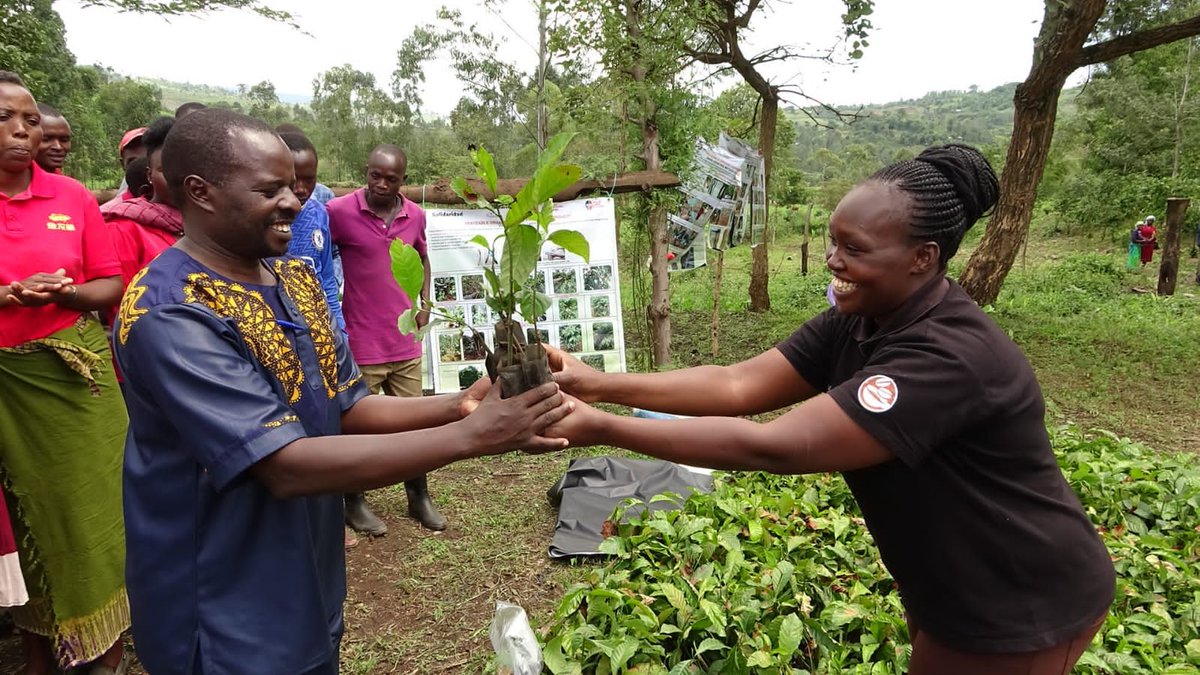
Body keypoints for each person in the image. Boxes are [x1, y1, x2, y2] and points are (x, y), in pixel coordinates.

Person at [544, 144, 1116, 675]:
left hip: (1020, 600)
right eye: (833, 242)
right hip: (952, 583)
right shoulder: (860, 319)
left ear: (923, 257)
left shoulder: (949, 355)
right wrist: (598, 384)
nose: (834, 262)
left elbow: (776, 445)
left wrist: (600, 428)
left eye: (855, 249)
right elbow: (738, 384)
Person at [112, 108, 569, 675]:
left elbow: (348, 406)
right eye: (270, 189)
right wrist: (471, 436)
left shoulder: (292, 281)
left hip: (305, 572)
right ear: (200, 193)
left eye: (294, 186)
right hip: (223, 602)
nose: (294, 202)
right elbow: (283, 464)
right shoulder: (172, 314)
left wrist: (461, 404)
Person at [0, 71, 130, 675]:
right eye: (5, 118)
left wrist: (67, 293)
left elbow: (109, 283)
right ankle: (36, 646)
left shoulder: (72, 197)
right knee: (23, 519)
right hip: (8, 387)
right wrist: (7, 296)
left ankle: (102, 646)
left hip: (74, 380)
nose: (22, 131)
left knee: (90, 510)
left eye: (29, 119)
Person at [328, 144, 444, 534]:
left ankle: (418, 496)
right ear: (367, 170)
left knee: (415, 425)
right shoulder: (339, 212)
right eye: (374, 175)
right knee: (357, 425)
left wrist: (425, 302)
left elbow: (424, 258)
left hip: (405, 341)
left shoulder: (416, 216)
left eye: (390, 179)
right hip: (360, 341)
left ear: (402, 182)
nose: (380, 184)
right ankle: (354, 501)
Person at [103, 116, 183, 296]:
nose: (177, 178)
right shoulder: (123, 229)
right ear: (150, 174)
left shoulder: (205, 223)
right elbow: (122, 303)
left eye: (185, 169)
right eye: (165, 170)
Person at [33, 103, 70, 174]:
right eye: (46, 139)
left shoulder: (66, 183)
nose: (58, 147)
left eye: (64, 140)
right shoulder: (14, 183)